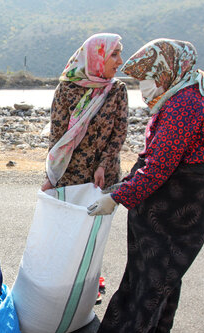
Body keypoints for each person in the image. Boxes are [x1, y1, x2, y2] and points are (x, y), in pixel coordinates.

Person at [87, 38, 204, 333]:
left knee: (150, 271)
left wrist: (118, 197)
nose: (144, 87)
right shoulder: (192, 90)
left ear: (165, 72)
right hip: (184, 195)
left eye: (148, 77)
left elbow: (159, 166)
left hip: (176, 201)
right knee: (166, 272)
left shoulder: (183, 106)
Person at [41, 32, 128, 303]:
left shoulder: (116, 90)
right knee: (68, 229)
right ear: (96, 56)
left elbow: (120, 132)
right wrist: (52, 174)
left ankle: (90, 282)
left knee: (95, 232)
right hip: (70, 172)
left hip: (105, 174)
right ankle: (64, 281)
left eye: (119, 53)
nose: (119, 60)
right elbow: (57, 136)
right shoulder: (67, 88)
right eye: (113, 54)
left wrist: (104, 164)